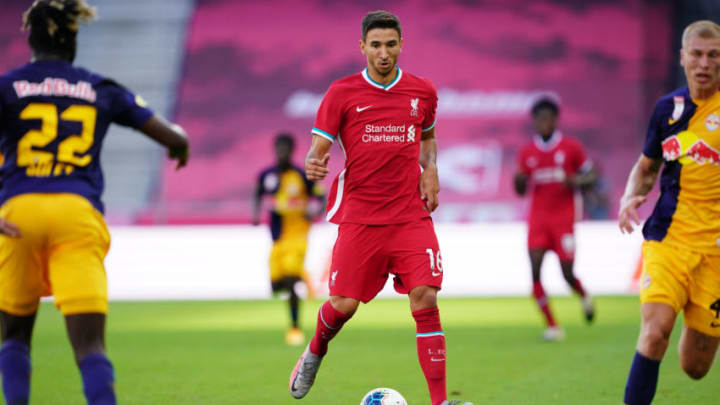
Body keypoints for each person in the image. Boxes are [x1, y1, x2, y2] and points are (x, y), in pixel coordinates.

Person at [0, 1, 189, 404]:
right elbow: (171, 137)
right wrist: (181, 146)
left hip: (19, 210)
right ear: (74, 39)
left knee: (14, 338)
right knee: (90, 349)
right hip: (76, 212)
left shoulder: (7, 86)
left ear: (30, 39)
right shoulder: (99, 87)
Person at [288, 11, 471, 405]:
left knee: (425, 296)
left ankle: (440, 402)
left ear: (401, 44)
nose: (383, 53)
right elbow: (317, 151)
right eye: (376, 45)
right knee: (343, 305)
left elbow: (428, 139)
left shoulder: (422, 91)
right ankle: (315, 350)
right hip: (361, 217)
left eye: (391, 44)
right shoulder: (341, 93)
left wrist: (432, 169)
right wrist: (313, 162)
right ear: (363, 47)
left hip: (409, 215)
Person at [618, 20, 720, 405]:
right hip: (668, 240)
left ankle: (696, 313)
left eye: (713, 55)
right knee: (655, 331)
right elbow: (646, 168)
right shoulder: (668, 109)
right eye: (697, 54)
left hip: (715, 252)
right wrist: (631, 197)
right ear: (683, 58)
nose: (704, 63)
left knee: (696, 367)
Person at [514, 97, 596, 341]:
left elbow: (591, 176)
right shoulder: (527, 152)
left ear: (555, 120)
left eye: (548, 119)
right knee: (536, 271)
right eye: (540, 120)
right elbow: (520, 189)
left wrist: (576, 181)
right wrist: (518, 181)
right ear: (535, 122)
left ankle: (583, 295)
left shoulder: (571, 148)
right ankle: (552, 326)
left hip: (564, 220)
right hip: (538, 220)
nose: (544, 124)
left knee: (567, 273)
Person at [252, 133, 325, 346]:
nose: (281, 153)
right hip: (278, 238)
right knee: (276, 285)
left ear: (292, 151)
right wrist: (256, 214)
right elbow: (257, 193)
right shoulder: (267, 176)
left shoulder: (301, 176)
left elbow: (321, 196)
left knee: (291, 282)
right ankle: (303, 277)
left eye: (285, 149)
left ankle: (294, 328)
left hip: (298, 236)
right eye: (278, 149)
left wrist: (314, 213)